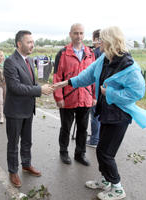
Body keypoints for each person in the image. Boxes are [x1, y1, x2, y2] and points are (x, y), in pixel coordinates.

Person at [53, 26, 146, 200]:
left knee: (105, 153)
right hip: (106, 113)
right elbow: (87, 76)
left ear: (110, 41)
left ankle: (117, 188)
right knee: (101, 151)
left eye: (101, 39)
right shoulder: (104, 58)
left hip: (119, 116)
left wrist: (109, 93)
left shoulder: (128, 65)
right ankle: (105, 181)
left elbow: (137, 92)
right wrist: (66, 83)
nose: (98, 42)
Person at [4, 30, 53, 188]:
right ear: (19, 44)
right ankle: (13, 171)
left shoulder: (30, 60)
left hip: (28, 109)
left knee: (27, 141)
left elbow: (31, 83)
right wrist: (39, 90)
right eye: (29, 42)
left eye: (33, 41)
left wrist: (42, 87)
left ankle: (26, 164)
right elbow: (15, 87)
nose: (33, 45)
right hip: (15, 111)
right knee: (13, 143)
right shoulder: (10, 61)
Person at [53, 23, 95, 166]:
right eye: (76, 33)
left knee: (83, 128)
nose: (79, 36)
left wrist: (94, 96)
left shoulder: (90, 53)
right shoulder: (63, 53)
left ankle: (80, 154)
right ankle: (63, 152)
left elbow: (94, 77)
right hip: (68, 98)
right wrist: (59, 97)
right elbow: (57, 77)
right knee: (66, 127)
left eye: (81, 33)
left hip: (86, 97)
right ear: (70, 34)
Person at [87, 29, 102, 148]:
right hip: (103, 87)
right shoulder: (106, 52)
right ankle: (98, 137)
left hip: (96, 87)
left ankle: (94, 139)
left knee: (95, 114)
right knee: (100, 113)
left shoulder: (96, 53)